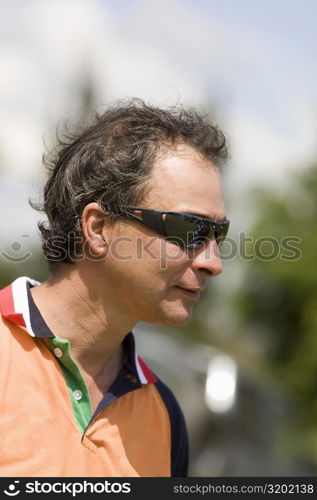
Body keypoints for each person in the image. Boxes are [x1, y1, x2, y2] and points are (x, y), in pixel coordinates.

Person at [0, 99, 229, 477]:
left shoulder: (166, 416)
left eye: (218, 233)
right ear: (99, 228)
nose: (213, 263)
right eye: (190, 230)